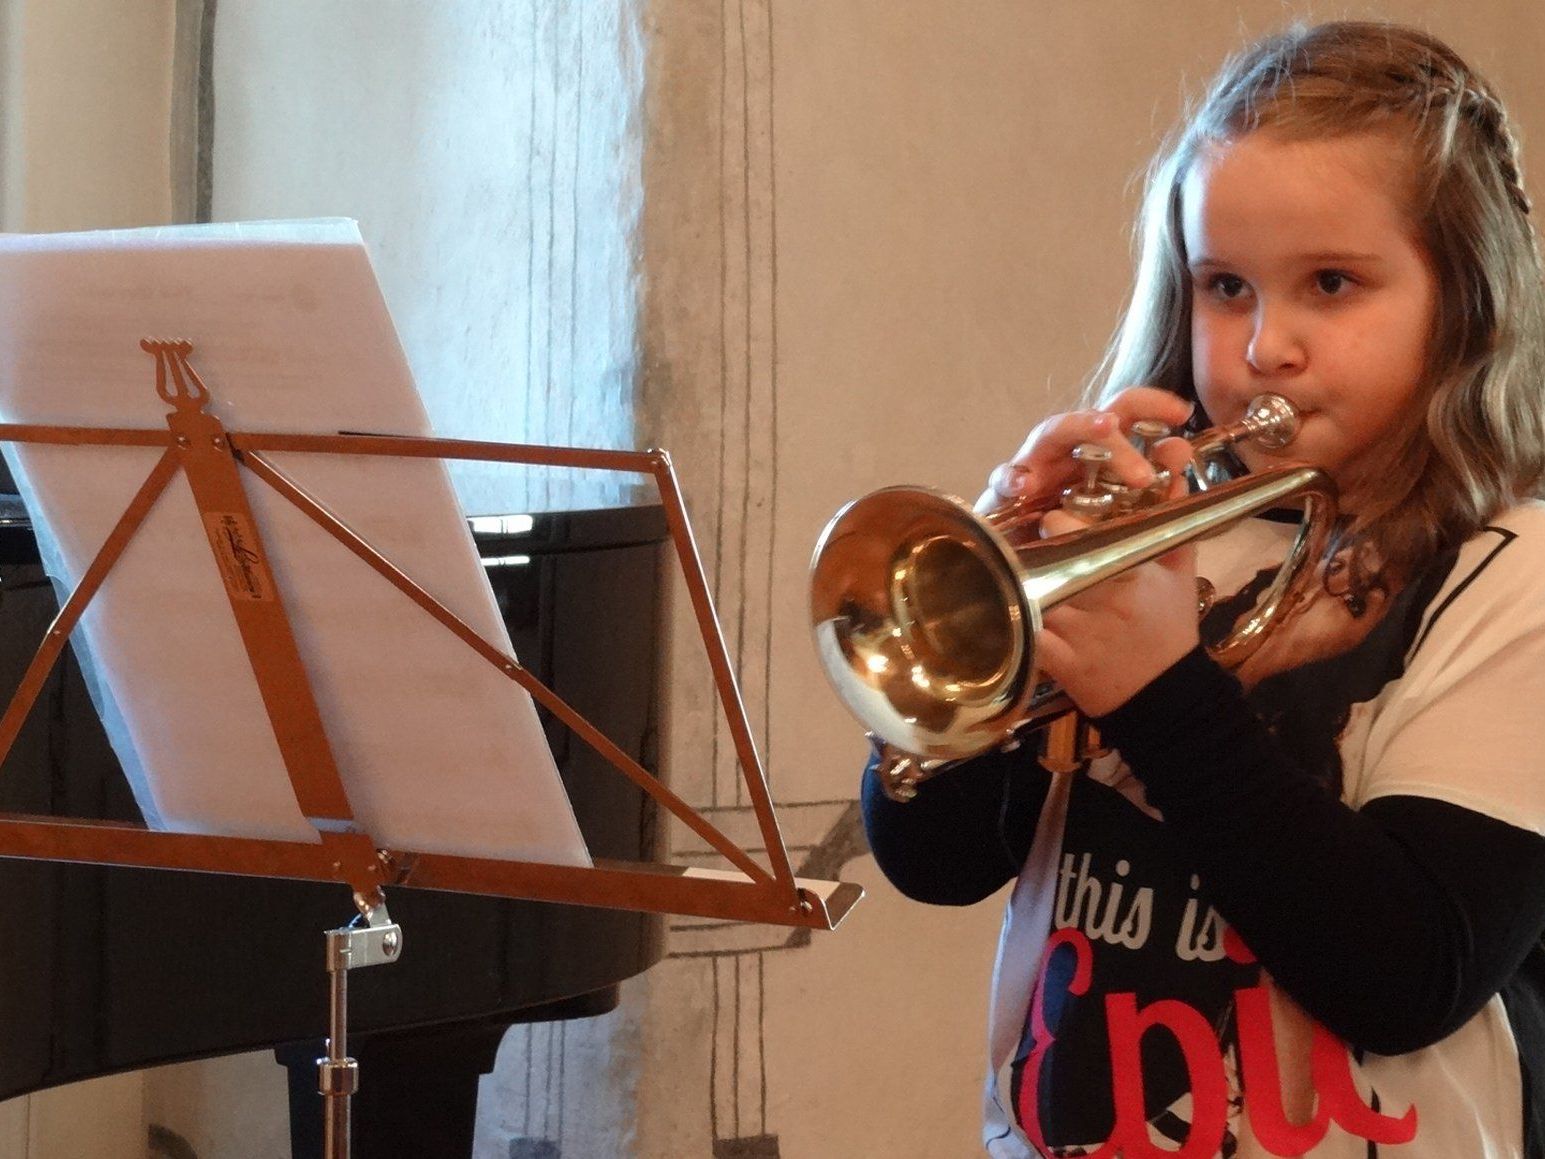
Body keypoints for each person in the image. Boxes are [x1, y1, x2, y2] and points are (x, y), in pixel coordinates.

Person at [860, 21, 1545, 1158]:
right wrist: (994, 618)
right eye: (1225, 285)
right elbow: (935, 863)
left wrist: (1159, 693)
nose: (1266, 344)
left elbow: (1413, 971)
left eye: (1332, 284)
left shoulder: (1511, 580)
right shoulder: (1166, 544)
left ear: (1466, 304)